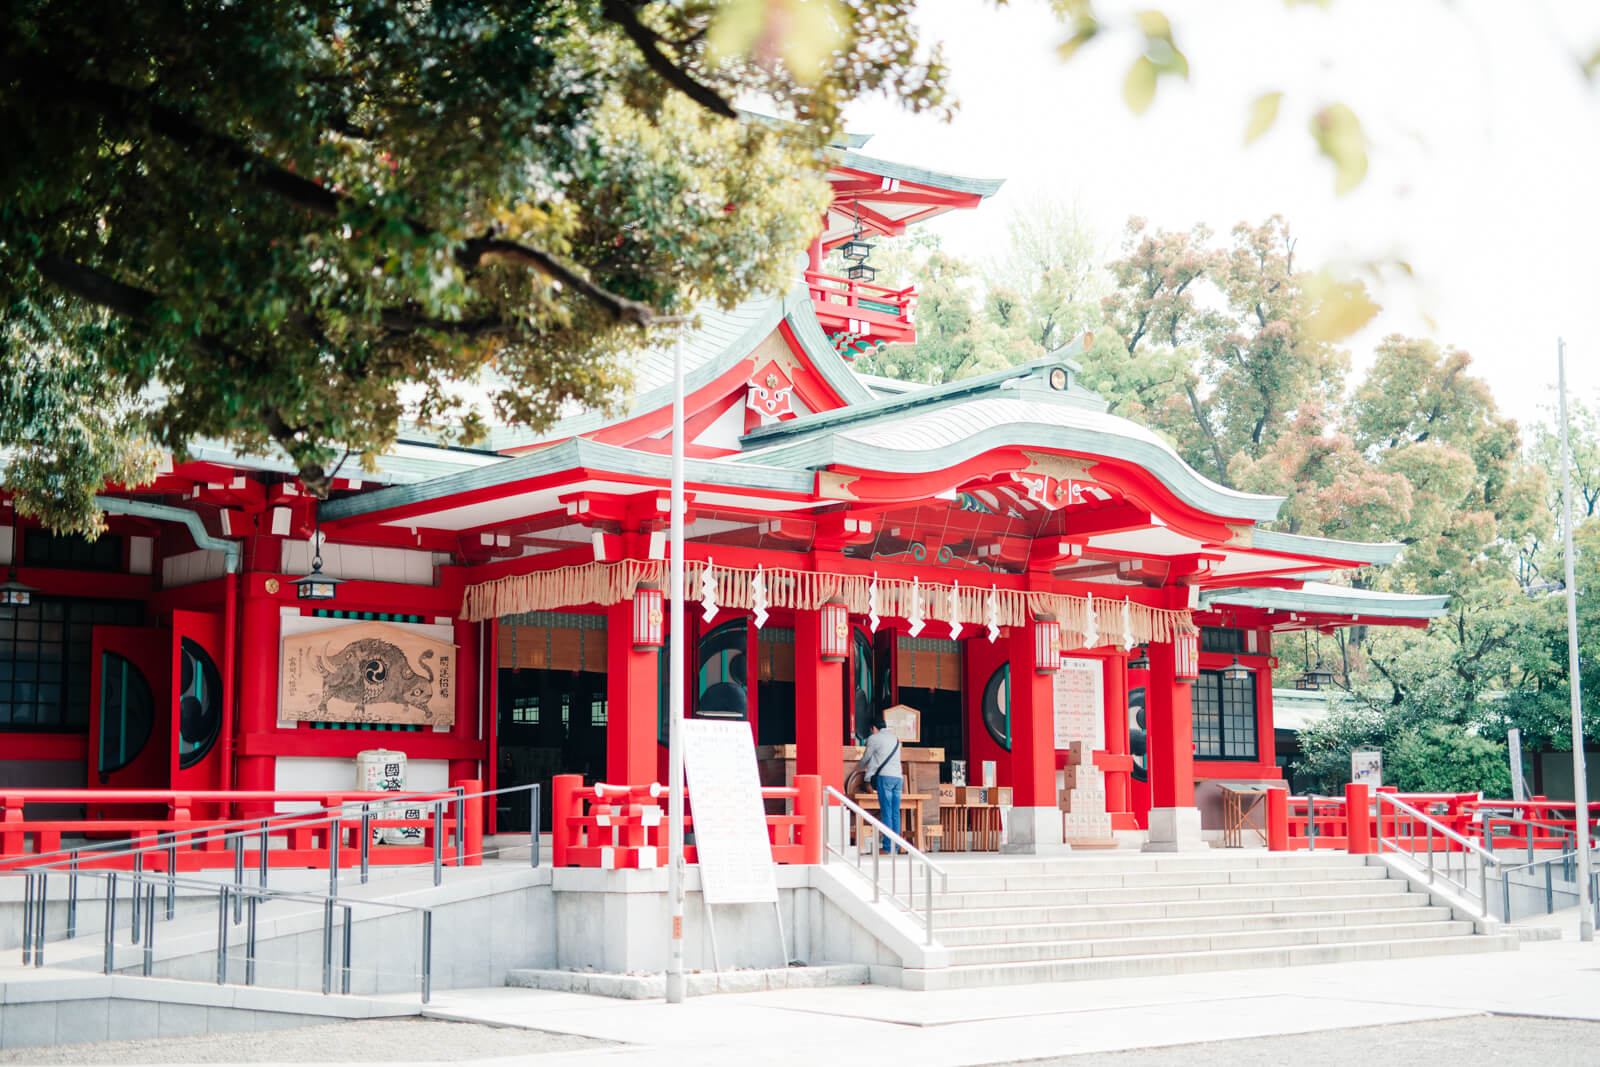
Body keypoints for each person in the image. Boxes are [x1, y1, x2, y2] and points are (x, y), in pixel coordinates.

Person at [857, 715, 903, 853]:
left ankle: (888, 848)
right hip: (898, 777)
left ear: (874, 728)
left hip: (885, 778)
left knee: (886, 811)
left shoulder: (874, 738)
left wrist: (859, 768)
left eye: (872, 730)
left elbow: (867, 757)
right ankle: (896, 847)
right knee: (895, 812)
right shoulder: (895, 739)